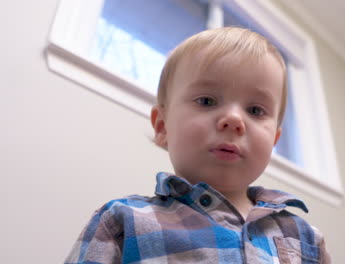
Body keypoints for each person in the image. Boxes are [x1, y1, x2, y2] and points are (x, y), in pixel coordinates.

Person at [64, 27, 331, 264]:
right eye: (206, 101)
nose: (235, 119)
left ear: (274, 140)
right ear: (162, 127)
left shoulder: (306, 239)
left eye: (255, 109)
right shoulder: (121, 221)